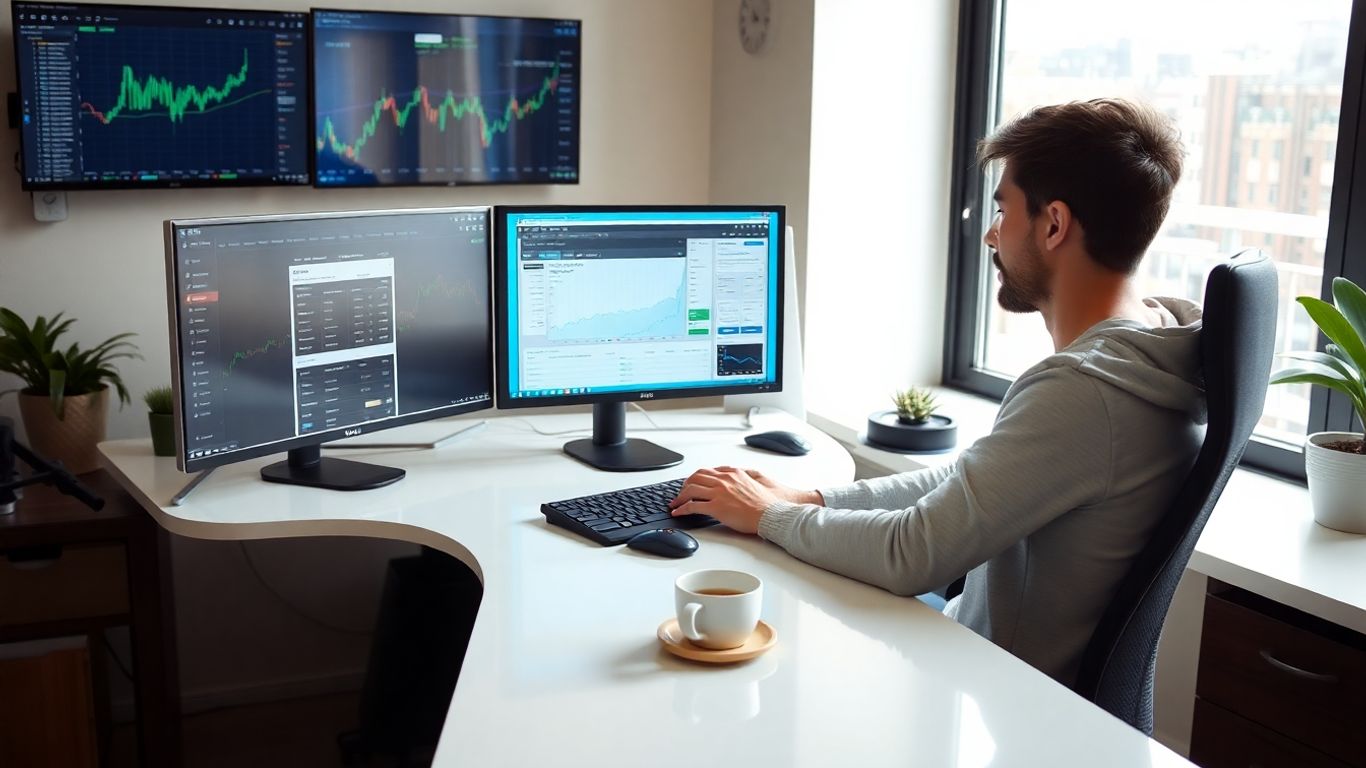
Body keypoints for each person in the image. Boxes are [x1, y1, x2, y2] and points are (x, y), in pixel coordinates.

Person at [669, 98, 1203, 686]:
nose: (992, 237)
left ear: (1053, 224)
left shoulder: (1083, 392)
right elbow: (968, 482)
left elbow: (913, 553)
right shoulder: (1151, 340)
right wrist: (807, 501)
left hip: (992, 689)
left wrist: (767, 517)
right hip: (983, 658)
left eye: (1003, 211)